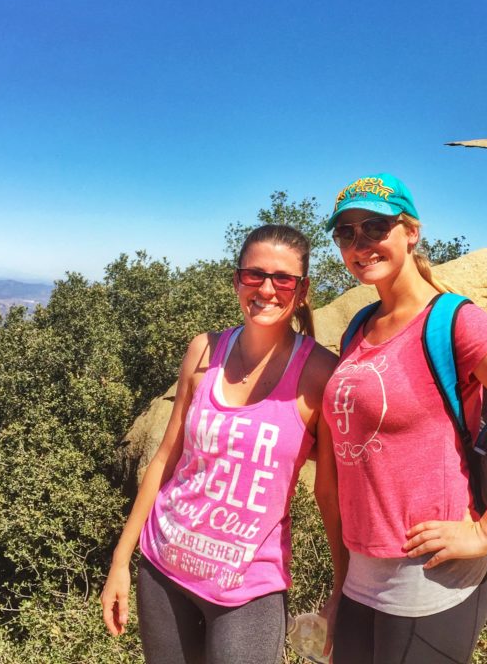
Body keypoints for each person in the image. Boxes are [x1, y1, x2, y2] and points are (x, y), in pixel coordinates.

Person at [322, 173, 487, 664]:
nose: (360, 244)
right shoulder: (359, 327)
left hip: (428, 585)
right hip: (361, 579)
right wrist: (340, 582)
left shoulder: (455, 322)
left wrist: (485, 533)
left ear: (410, 231)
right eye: (346, 233)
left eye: (375, 227)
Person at [100, 224, 345, 664]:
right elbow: (163, 460)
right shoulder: (204, 351)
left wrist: (342, 591)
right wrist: (120, 561)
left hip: (249, 589)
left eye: (283, 279)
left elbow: (328, 493)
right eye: (254, 275)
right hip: (162, 568)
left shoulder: (320, 373)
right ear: (237, 281)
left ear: (302, 290)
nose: (267, 289)